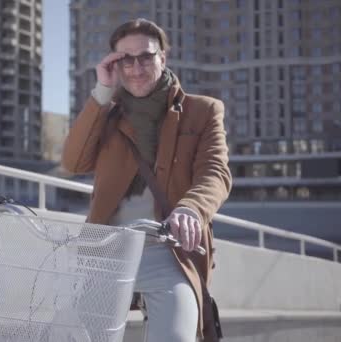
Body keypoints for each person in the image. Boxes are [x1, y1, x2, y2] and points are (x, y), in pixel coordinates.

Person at [62, 18, 232, 342]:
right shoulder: (108, 114)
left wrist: (192, 209)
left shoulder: (203, 111)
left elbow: (216, 172)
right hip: (106, 251)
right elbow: (73, 161)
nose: (136, 68)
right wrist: (101, 91)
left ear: (163, 58)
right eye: (126, 59)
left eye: (146, 56)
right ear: (115, 63)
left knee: (175, 337)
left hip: (169, 252)